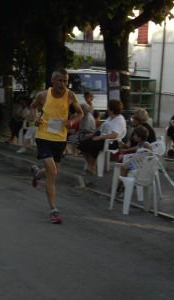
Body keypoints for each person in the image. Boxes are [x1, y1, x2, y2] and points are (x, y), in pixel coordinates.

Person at [30, 68, 83, 224]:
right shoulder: (43, 95)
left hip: (60, 139)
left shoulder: (70, 96)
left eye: (65, 81)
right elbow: (33, 107)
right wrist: (36, 118)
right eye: (59, 80)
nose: (63, 84)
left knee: (52, 172)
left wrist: (71, 121)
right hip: (44, 136)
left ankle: (37, 174)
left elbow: (80, 113)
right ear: (52, 81)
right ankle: (53, 210)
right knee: (52, 171)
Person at [78, 100, 126, 175]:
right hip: (102, 137)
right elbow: (101, 127)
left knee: (88, 145)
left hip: (111, 142)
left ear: (112, 110)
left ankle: (92, 166)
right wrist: (91, 134)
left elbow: (114, 135)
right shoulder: (110, 117)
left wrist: (100, 137)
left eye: (108, 108)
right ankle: (92, 164)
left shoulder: (119, 120)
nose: (107, 109)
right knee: (82, 145)